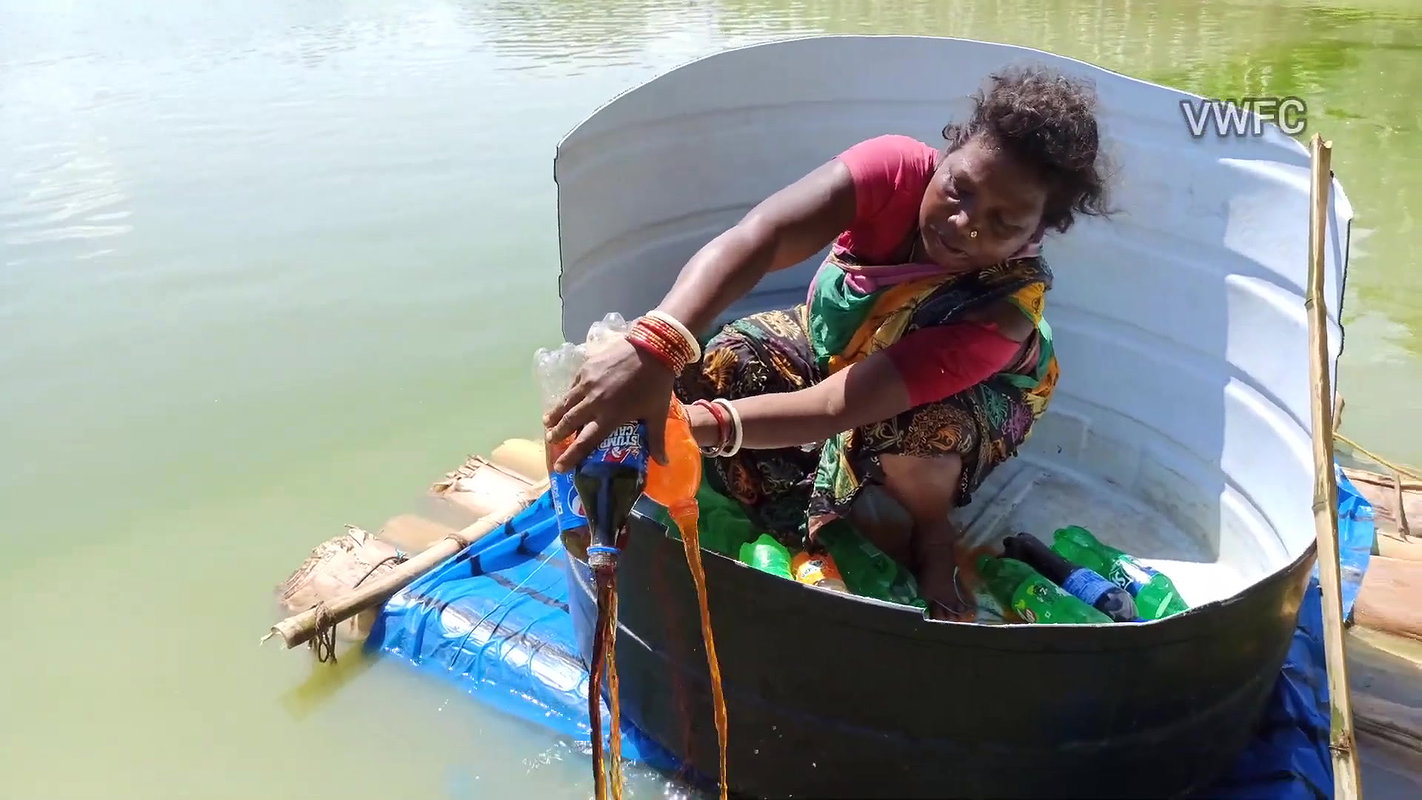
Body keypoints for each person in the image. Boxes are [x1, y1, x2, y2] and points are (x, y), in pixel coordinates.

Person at [544, 65, 1113, 620]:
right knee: (724, 357)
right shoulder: (891, 172)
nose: (964, 224)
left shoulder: (1002, 313)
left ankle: (932, 528)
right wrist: (652, 345)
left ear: (1036, 232)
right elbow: (761, 238)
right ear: (948, 153)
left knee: (910, 434)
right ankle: (802, 483)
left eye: (1002, 223)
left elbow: (838, 405)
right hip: (844, 352)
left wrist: (689, 426)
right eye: (958, 189)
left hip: (960, 401)